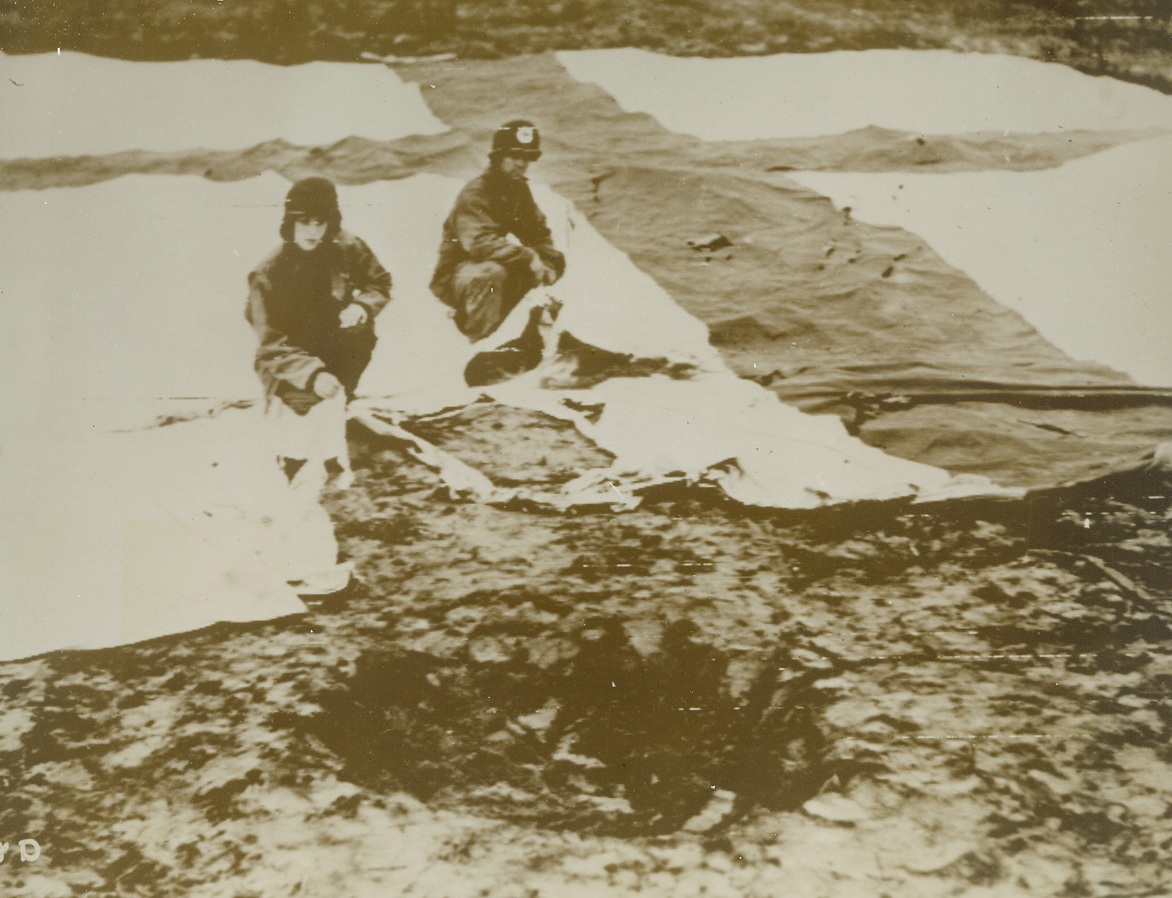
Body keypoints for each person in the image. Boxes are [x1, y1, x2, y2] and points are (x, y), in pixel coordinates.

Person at [245, 176, 392, 484]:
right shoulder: (268, 272)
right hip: (286, 361)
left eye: (320, 222)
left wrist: (363, 306)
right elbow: (271, 344)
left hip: (330, 343)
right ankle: (297, 446)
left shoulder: (347, 247)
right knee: (297, 439)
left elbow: (380, 282)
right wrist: (312, 375)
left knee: (359, 336)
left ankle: (337, 406)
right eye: (304, 222)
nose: (313, 232)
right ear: (290, 223)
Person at [430, 119, 566, 344]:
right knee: (492, 274)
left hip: (492, 264)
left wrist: (547, 263)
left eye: (526, 157)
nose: (521, 163)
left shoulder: (517, 189)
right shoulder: (476, 193)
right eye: (514, 156)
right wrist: (528, 257)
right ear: (499, 157)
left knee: (551, 262)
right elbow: (478, 243)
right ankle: (473, 338)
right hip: (456, 275)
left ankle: (523, 330)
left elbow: (538, 232)